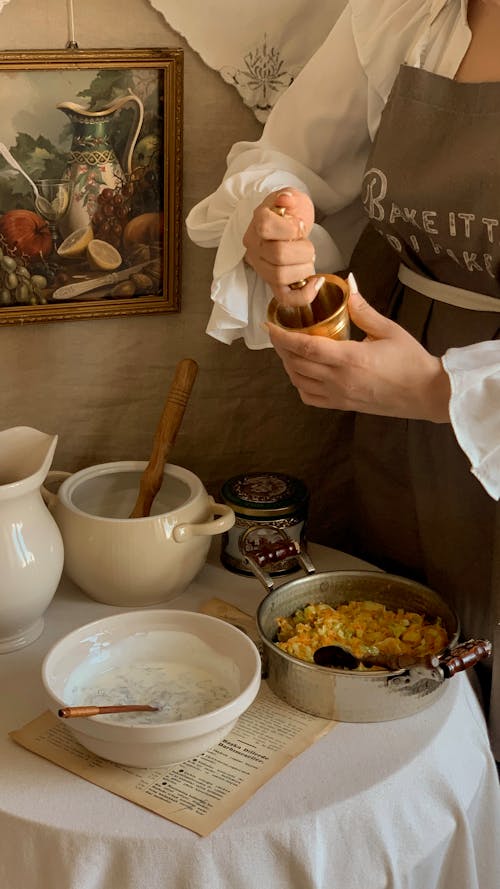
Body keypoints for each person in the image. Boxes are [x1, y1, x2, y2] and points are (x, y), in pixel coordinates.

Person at [186, 0, 500, 761]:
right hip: (391, 417)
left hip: (457, 398)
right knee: (392, 683)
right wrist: (277, 226)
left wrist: (441, 390)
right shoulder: (403, 15)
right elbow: (284, 163)